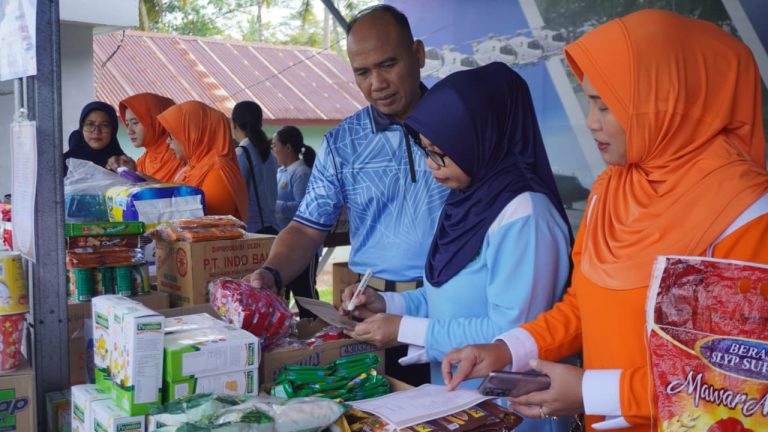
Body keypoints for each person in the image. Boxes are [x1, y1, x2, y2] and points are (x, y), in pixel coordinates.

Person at [440, 9, 768, 432]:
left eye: (605, 105)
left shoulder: (745, 212)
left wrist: (592, 392)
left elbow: (739, 379)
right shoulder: (609, 189)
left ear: (665, 103)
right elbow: (583, 306)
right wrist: (505, 350)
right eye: (588, 102)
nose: (591, 122)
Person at [341, 62, 572, 432]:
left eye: (439, 152)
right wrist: (387, 305)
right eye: (426, 151)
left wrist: (404, 329)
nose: (430, 165)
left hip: (515, 412)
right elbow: (447, 297)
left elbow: (512, 333)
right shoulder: (467, 201)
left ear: (481, 138)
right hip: (463, 405)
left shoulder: (525, 215)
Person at [242, 4, 449, 385]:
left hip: (455, 307)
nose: (377, 83)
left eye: (388, 64)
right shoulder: (343, 143)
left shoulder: (461, 125)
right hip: (372, 312)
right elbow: (306, 228)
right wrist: (272, 272)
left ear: (418, 54)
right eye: (362, 72)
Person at [157, 100, 249, 220]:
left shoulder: (217, 171)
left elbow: (210, 223)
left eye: (171, 135)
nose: (167, 142)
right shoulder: (191, 168)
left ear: (193, 134)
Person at [272, 125, 319, 318]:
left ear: (288, 148)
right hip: (284, 241)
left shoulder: (301, 172)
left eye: (275, 145)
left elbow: (303, 206)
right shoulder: (281, 172)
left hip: (302, 244)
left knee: (305, 294)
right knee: (283, 295)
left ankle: (316, 326)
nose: (273, 150)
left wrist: (275, 206)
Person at [110, 93, 184, 182]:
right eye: (127, 124)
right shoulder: (142, 163)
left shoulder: (181, 155)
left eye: (135, 123)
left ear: (156, 121)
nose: (129, 131)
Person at [232, 100, 278, 233]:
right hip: (272, 227)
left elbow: (237, 195)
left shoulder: (241, 153)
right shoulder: (270, 154)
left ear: (234, 123)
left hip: (251, 229)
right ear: (260, 123)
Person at [63, 101, 126, 171]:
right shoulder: (62, 164)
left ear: (113, 130)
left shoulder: (122, 164)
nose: (96, 131)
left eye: (104, 125)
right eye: (90, 124)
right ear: (82, 128)